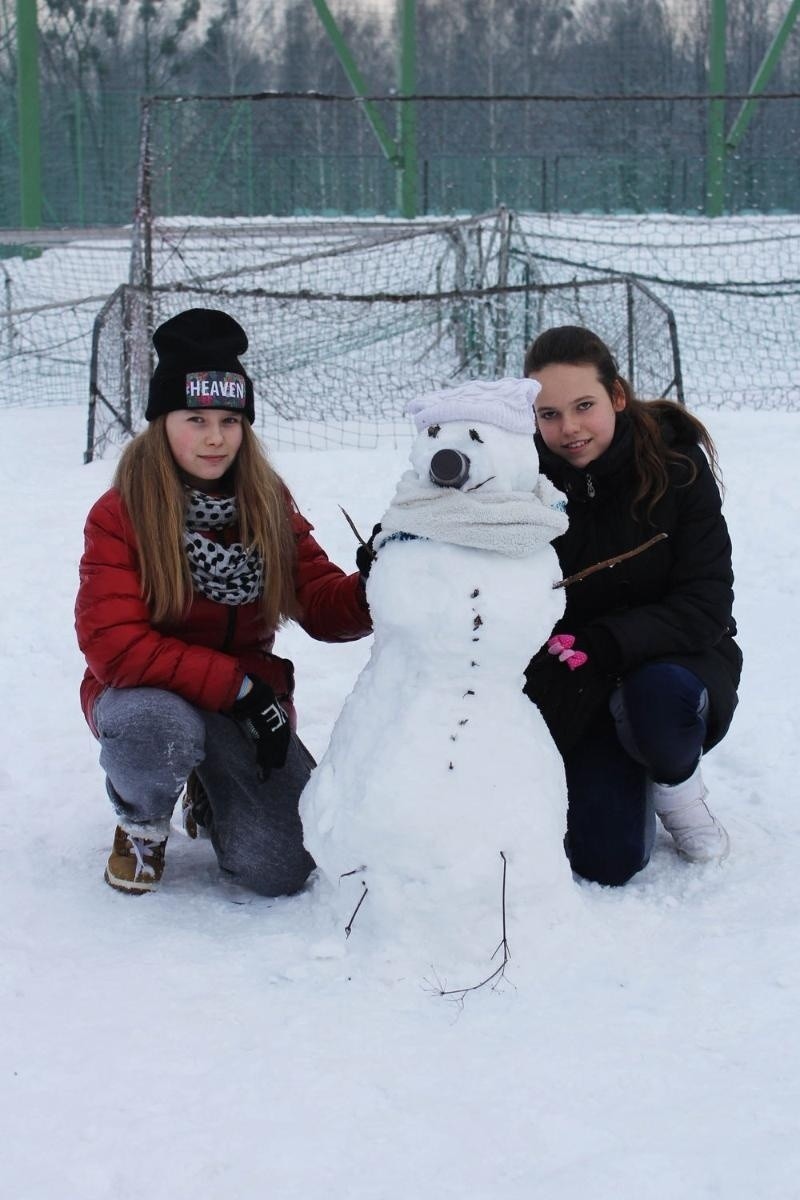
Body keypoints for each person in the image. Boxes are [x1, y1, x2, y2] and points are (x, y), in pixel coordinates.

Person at [75, 308, 372, 897]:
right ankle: (142, 823)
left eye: (230, 420)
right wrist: (238, 686)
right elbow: (116, 647)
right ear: (162, 423)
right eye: (196, 419)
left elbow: (319, 600)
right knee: (153, 723)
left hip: (243, 704)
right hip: (152, 694)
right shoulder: (120, 514)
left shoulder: (265, 502)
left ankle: (212, 793)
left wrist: (378, 582)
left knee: (283, 866)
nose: (215, 437)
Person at [522, 325, 742, 887]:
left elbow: (707, 603)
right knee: (606, 859)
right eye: (548, 414)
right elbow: (451, 510)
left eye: (584, 405)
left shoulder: (676, 468)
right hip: (576, 675)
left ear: (617, 396)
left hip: (675, 659)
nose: (568, 428)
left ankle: (678, 784)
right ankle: (624, 758)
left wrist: (609, 641)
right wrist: (397, 540)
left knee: (657, 700)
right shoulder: (522, 476)